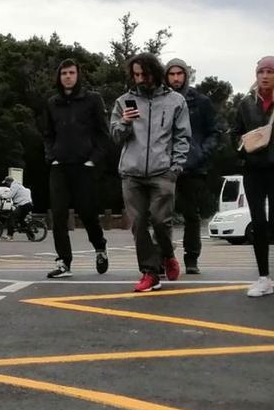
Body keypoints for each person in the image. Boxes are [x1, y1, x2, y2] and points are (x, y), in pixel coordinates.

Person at [111, 53, 191, 293]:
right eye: (135, 75)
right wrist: (124, 122)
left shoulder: (176, 101)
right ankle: (149, 272)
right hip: (131, 172)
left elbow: (183, 137)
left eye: (144, 74)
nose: (140, 79)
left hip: (162, 172)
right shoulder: (123, 101)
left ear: (154, 73)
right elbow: (115, 136)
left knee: (160, 221)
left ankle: (167, 255)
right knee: (137, 223)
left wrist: (175, 168)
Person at [43, 59, 111, 279]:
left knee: (88, 213)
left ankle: (100, 248)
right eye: (64, 73)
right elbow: (48, 134)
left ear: (78, 75)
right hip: (59, 166)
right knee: (59, 215)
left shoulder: (92, 100)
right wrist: (51, 156)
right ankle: (64, 262)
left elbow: (103, 133)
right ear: (59, 76)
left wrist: (94, 159)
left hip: (84, 166)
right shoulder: (53, 102)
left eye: (71, 72)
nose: (68, 76)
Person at [165, 58, 220, 275]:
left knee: (191, 214)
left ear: (186, 75)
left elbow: (214, 132)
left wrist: (201, 153)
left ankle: (191, 258)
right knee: (161, 214)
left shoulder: (201, 101)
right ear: (166, 76)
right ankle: (164, 255)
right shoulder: (160, 99)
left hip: (192, 166)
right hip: (164, 165)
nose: (176, 78)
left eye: (180, 74)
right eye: (172, 74)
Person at [233, 56, 274, 297]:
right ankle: (263, 278)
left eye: (270, 71)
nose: (265, 76)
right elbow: (234, 133)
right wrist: (242, 151)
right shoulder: (245, 104)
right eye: (261, 71)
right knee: (258, 223)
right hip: (254, 170)